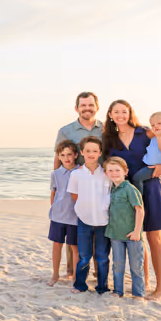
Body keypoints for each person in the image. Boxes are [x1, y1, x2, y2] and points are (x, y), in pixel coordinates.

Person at [102, 100, 161, 301]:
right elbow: (106, 165)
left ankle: (160, 288)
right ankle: (145, 281)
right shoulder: (109, 139)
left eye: (124, 111)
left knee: (155, 239)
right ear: (110, 115)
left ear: (129, 113)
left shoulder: (144, 132)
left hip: (150, 187)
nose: (120, 115)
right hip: (126, 192)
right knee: (137, 238)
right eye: (116, 112)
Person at [53, 92, 104, 277]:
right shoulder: (66, 131)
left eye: (91, 105)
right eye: (83, 105)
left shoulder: (106, 129)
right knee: (73, 225)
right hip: (74, 184)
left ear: (97, 107)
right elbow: (58, 158)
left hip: (100, 184)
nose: (87, 108)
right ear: (77, 108)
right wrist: (57, 186)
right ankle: (71, 270)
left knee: (98, 226)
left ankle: (99, 271)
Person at [69, 136, 111, 295]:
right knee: (84, 256)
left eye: (95, 151)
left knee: (102, 257)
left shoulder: (107, 173)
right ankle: (80, 285)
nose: (91, 154)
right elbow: (74, 195)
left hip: (103, 221)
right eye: (88, 151)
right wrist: (83, 208)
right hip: (84, 220)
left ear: (100, 153)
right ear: (82, 153)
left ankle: (102, 287)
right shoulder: (76, 174)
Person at [104, 157, 145, 299]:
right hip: (115, 234)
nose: (114, 173)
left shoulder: (130, 189)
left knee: (135, 267)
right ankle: (118, 291)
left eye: (117, 170)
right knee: (118, 265)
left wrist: (136, 232)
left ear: (125, 172)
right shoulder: (111, 189)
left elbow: (139, 210)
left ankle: (138, 294)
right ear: (106, 173)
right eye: (110, 170)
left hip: (132, 235)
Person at [47, 140, 80, 287]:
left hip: (75, 216)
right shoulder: (56, 174)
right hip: (58, 216)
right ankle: (55, 274)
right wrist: (54, 208)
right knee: (57, 245)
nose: (66, 158)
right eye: (63, 155)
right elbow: (53, 193)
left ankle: (75, 276)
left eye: (69, 154)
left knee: (75, 247)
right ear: (58, 157)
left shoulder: (81, 172)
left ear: (75, 155)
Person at [133, 111, 161, 194]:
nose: (156, 126)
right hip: (150, 165)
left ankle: (138, 200)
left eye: (159, 123)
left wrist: (159, 137)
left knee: (137, 178)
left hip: (156, 167)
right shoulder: (157, 136)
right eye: (153, 125)